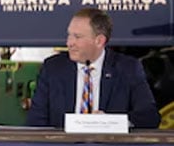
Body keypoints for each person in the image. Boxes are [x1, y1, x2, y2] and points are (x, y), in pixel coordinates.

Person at [26, 7, 160, 128]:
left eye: (77, 37)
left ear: (99, 41)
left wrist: (111, 123)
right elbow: (35, 122)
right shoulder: (53, 68)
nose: (69, 43)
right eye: (69, 35)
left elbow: (150, 117)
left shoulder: (127, 68)